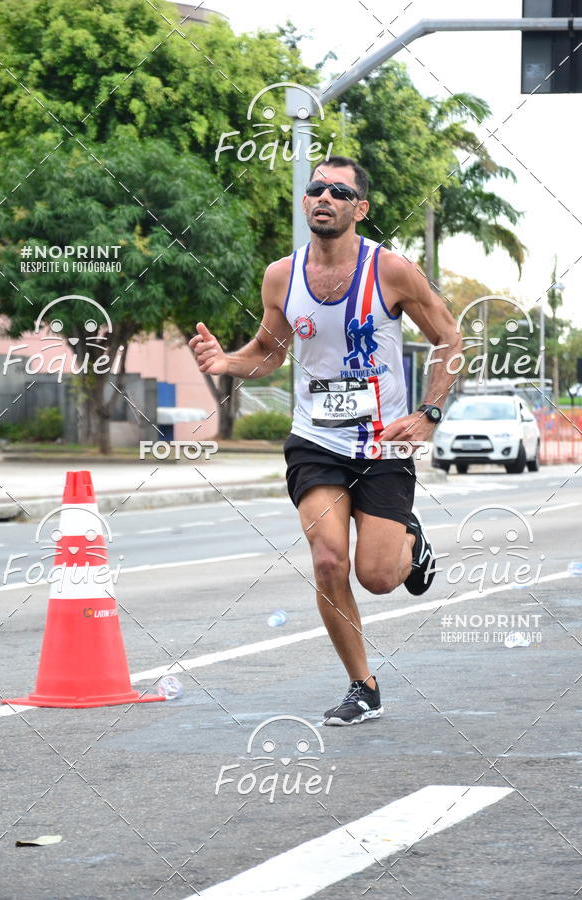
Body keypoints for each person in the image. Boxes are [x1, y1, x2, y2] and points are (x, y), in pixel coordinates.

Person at [189, 155, 462, 726]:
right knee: (328, 559)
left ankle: (410, 540)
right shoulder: (280, 276)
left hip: (383, 444)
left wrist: (430, 413)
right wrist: (225, 361)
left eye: (339, 192)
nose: (324, 197)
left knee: (378, 577)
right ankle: (363, 686)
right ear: (305, 200)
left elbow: (448, 337)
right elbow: (269, 352)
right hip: (315, 441)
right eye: (316, 188)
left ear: (360, 208)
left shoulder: (391, 270)